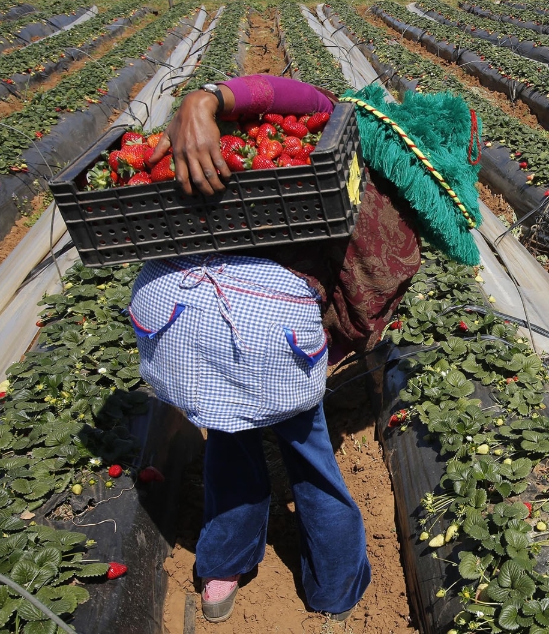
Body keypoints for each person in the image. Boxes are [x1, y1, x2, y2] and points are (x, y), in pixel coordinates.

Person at [128, 75, 481, 622]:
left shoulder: (332, 131)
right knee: (308, 452)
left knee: (229, 438)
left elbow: (276, 94)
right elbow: (359, 307)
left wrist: (204, 98)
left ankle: (224, 566)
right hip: (281, 329)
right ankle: (334, 588)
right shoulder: (383, 207)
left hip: (183, 320)